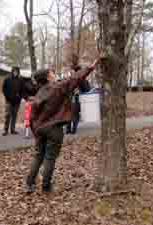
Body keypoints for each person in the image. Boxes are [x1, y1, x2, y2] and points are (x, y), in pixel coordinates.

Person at [25, 58, 100, 193]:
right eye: (52, 73)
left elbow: (32, 117)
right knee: (49, 158)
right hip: (54, 129)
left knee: (38, 156)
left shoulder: (39, 93)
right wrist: (90, 67)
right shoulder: (57, 87)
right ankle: (46, 187)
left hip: (40, 130)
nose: (54, 74)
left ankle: (29, 184)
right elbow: (75, 79)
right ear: (48, 77)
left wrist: (36, 131)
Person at [66, 54, 91, 135]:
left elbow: (84, 85)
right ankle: (69, 129)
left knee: (74, 112)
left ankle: (73, 129)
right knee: (70, 112)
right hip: (70, 96)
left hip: (77, 95)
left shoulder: (79, 72)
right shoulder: (69, 73)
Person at [2, 66, 23, 136]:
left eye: (17, 71)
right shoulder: (7, 79)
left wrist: (20, 97)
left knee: (14, 115)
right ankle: (5, 130)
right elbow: (4, 89)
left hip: (17, 101)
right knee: (7, 115)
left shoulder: (20, 80)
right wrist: (7, 97)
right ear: (12, 71)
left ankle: (13, 129)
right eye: (14, 71)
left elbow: (22, 91)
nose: (15, 73)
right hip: (9, 101)